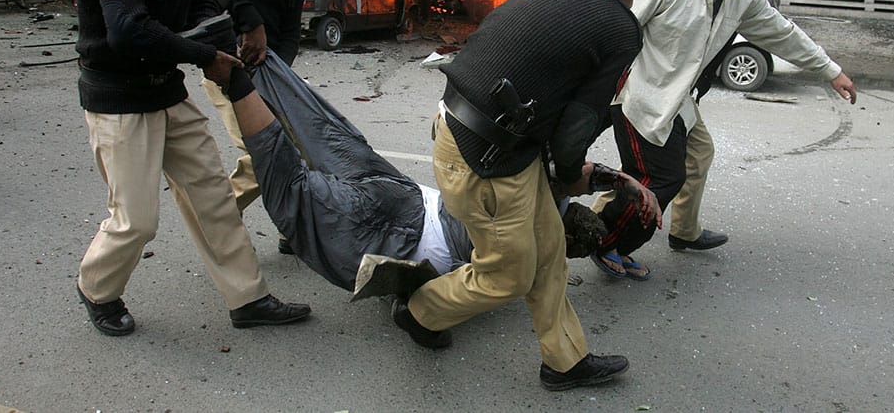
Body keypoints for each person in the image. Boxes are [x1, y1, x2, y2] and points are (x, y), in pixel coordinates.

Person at [388, 0, 661, 392]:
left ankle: (564, 361)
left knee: (550, 247)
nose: (634, 2)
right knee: (507, 277)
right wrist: (572, 175)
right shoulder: (619, 26)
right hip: (487, 159)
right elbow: (580, 122)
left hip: (475, 136)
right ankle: (419, 312)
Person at [72, 0, 310, 336]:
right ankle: (97, 287)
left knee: (213, 200)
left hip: (166, 91)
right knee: (136, 220)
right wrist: (206, 56)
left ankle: (248, 297)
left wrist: (220, 28)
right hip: (120, 100)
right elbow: (128, 29)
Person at [193, 44, 613, 292]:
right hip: (393, 229)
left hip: (404, 196)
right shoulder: (524, 252)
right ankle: (237, 80)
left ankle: (254, 57)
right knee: (293, 191)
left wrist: (619, 179)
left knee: (326, 131)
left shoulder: (536, 199)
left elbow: (566, 178)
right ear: (567, 244)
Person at [591, 0, 856, 280]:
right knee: (660, 179)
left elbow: (782, 33)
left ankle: (682, 231)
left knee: (698, 155)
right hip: (642, 98)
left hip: (681, 101)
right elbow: (616, 26)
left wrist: (831, 71)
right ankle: (605, 240)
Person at [202, 0, 316, 240]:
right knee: (262, 155)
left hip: (267, 77)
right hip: (228, 68)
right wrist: (249, 21)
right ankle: (215, 225)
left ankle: (293, 230)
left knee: (300, 150)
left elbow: (290, 36)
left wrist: (277, 72)